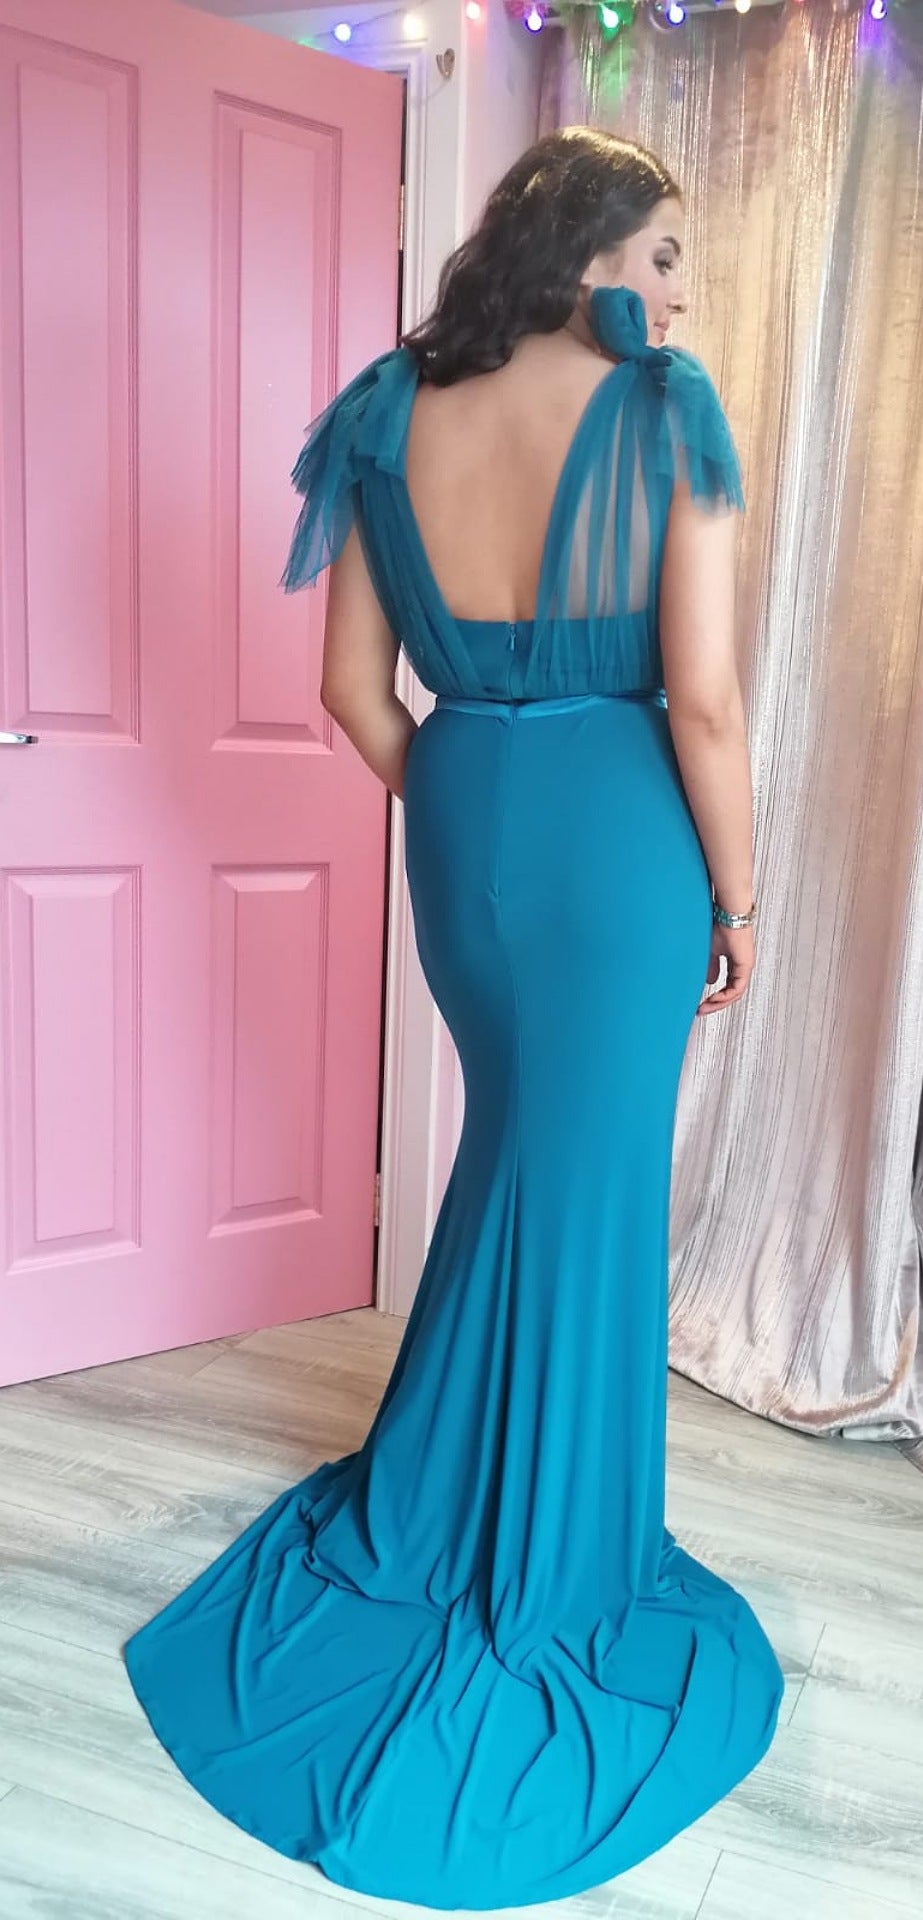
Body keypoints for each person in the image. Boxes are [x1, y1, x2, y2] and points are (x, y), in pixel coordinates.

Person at [123, 125, 783, 1909]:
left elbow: (354, 690)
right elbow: (705, 703)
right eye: (663, 254)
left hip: (465, 833)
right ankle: (556, 1563)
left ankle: (445, 1485)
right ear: (586, 252)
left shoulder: (387, 409)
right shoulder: (663, 409)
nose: (681, 291)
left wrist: (472, 790)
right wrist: (735, 897)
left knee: (518, 1167)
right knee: (588, 1195)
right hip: (619, 849)